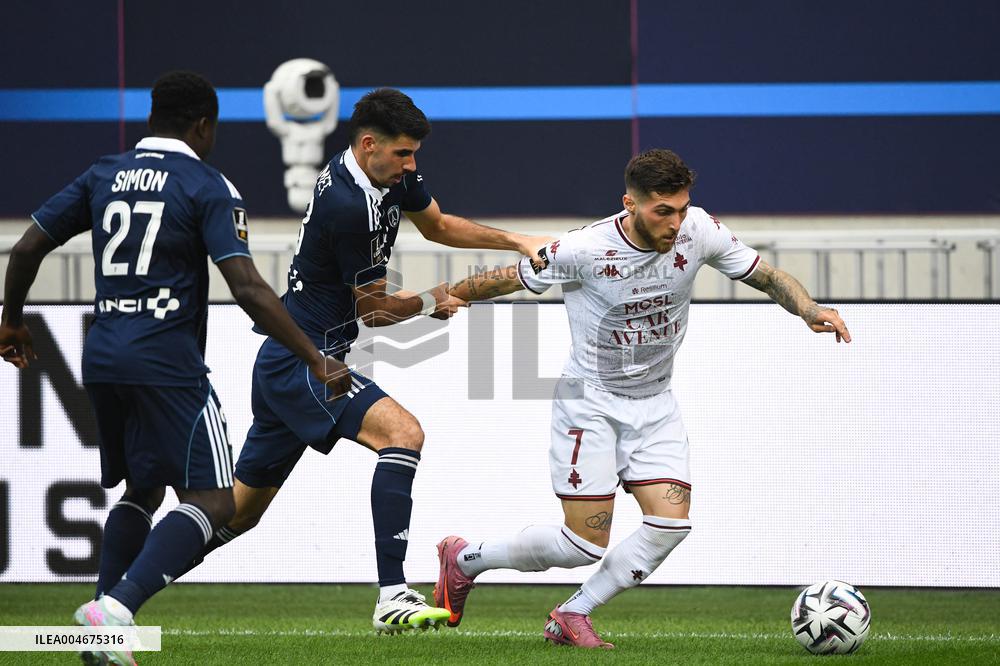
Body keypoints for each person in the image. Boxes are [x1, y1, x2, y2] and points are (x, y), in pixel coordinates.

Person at [434, 148, 852, 649]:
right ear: (629, 204)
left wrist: (806, 307)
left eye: (681, 208)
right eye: (663, 211)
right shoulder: (583, 248)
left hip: (655, 404)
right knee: (582, 545)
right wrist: (451, 294)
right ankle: (464, 560)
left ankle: (573, 613)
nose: (676, 222)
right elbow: (510, 276)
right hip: (589, 403)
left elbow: (765, 275)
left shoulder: (700, 230)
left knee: (671, 523)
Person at [0, 70, 351, 666]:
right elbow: (245, 285)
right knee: (216, 503)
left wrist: (10, 320)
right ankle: (117, 609)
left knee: (144, 485)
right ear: (202, 126)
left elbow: (29, 244)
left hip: (103, 353)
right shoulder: (206, 184)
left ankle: (98, 636)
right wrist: (315, 357)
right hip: (166, 360)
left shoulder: (103, 174)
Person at [181, 88, 552, 633]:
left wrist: (516, 240)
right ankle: (391, 593)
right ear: (369, 144)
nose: (412, 165)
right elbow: (375, 312)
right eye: (403, 154)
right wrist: (435, 298)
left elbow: (439, 225)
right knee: (403, 434)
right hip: (306, 363)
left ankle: (123, 589)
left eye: (414, 154)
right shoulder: (349, 206)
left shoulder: (384, 177)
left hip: (291, 359)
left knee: (236, 515)